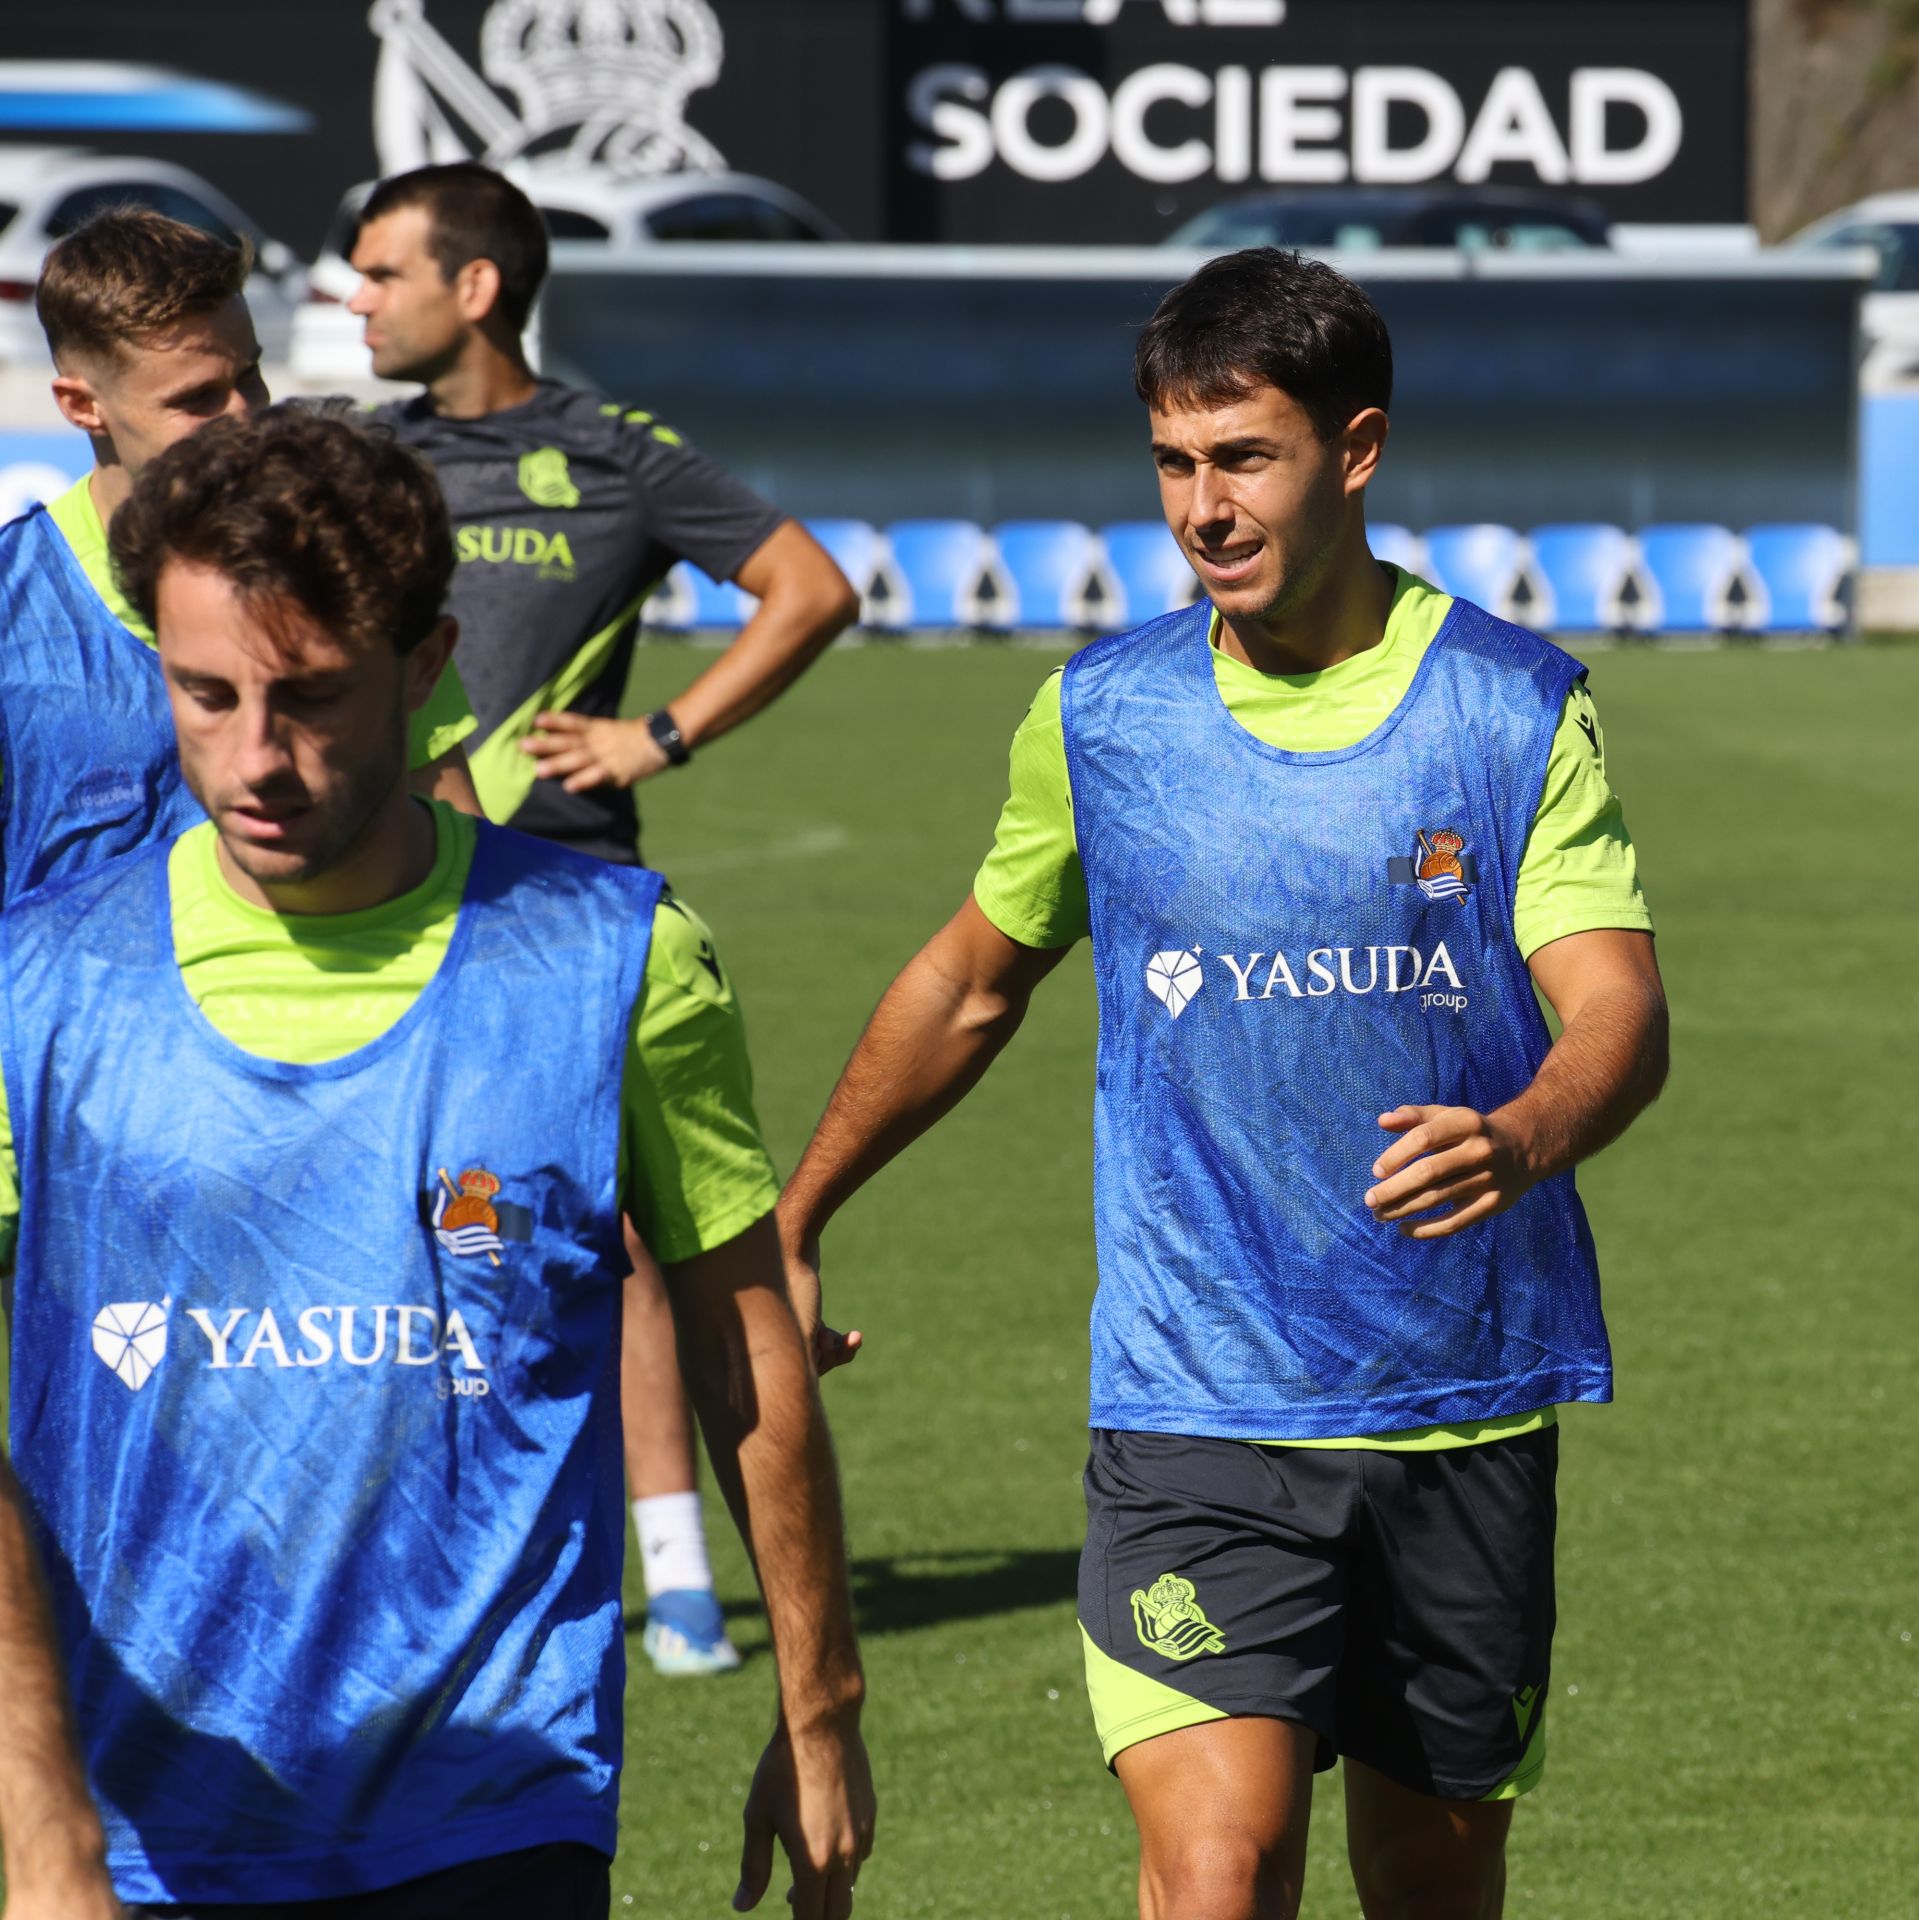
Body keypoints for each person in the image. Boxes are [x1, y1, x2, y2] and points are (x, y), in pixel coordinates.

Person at [777, 249, 1669, 1920]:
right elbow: (969, 980)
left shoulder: (1508, 707)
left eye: (1240, 456)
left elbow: (1613, 1006)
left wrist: (1525, 1130)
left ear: (1353, 447)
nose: (1200, 505)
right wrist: (796, 1211)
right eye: (1172, 464)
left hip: (1454, 1399)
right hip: (1195, 1397)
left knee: (1427, 1882)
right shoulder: (1101, 719)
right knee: (1211, 1869)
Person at [0, 407, 872, 1918]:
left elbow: (742, 1341)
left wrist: (819, 1708)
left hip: (492, 1801)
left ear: (426, 667)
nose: (255, 758)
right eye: (202, 696)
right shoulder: (39, 984)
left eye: (312, 699)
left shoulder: (615, 961)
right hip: (135, 1821)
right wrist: (37, 1815)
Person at [347, 161, 859, 1676]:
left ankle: (679, 1578)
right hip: (386, 909)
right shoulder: (363, 465)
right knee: (407, 1229)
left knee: (632, 1239)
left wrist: (661, 736)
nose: (357, 301)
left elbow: (806, 589)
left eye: (382, 273)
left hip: (565, 893)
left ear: (477, 286)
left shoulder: (612, 454)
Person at [0, 208, 479, 911]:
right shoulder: (14, 612)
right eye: (197, 400)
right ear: (82, 406)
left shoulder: (345, 563)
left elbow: (457, 844)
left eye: (249, 377)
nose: (246, 417)